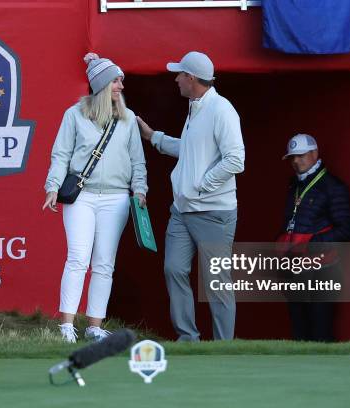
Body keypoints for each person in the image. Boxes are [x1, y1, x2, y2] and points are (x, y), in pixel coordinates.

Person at [137, 51, 245, 341]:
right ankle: (188, 339)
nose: (175, 79)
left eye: (180, 74)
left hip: (214, 213)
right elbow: (190, 150)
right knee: (174, 269)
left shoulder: (222, 110)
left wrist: (201, 185)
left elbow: (236, 159)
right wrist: (153, 137)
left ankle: (224, 349)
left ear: (192, 78)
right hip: (182, 211)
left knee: (216, 283)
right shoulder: (196, 107)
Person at [43, 53, 148, 343]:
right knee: (77, 259)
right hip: (82, 197)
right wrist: (53, 186)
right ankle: (66, 325)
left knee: (104, 263)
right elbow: (61, 154)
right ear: (102, 84)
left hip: (116, 199)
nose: (121, 87)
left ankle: (94, 326)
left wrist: (140, 190)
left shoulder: (127, 120)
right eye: (116, 81)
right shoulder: (74, 115)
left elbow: (138, 161)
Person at [279, 133, 350, 342]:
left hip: (323, 270)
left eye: (301, 156)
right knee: (299, 331)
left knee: (320, 331)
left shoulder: (333, 186)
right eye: (292, 157)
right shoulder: (294, 185)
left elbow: (345, 230)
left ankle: (327, 374)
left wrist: (312, 245)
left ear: (315, 153)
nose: (295, 161)